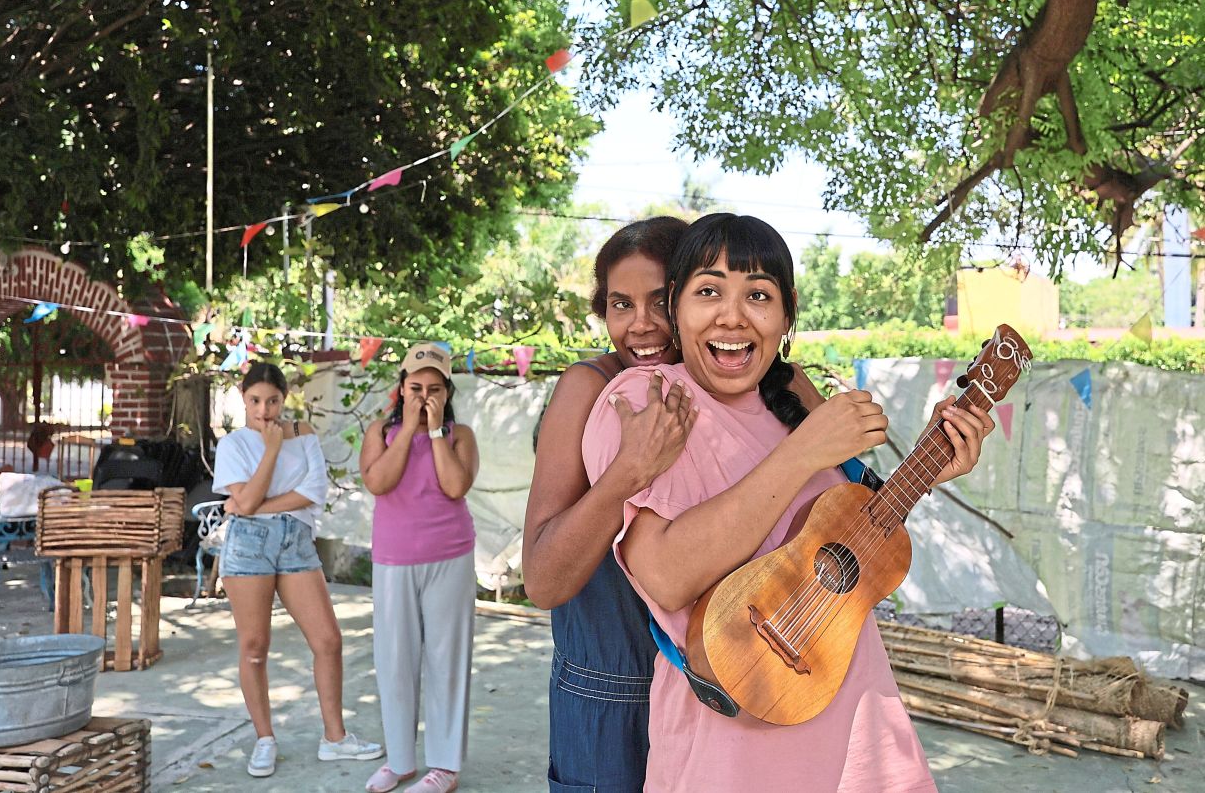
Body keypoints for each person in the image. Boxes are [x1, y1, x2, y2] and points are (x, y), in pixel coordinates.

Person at [581, 213, 995, 792]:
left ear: (786, 313)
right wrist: (803, 452)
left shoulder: (793, 407)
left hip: (862, 734)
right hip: (733, 756)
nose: (732, 315)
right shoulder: (647, 399)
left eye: (758, 295)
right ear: (675, 305)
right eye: (708, 291)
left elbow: (845, 544)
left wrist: (929, 469)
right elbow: (666, 578)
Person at [522, 216, 824, 792]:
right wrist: (626, 475)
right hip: (613, 687)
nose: (641, 326)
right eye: (619, 304)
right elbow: (542, 581)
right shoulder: (591, 390)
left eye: (660, 301)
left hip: (735, 679)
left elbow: (841, 509)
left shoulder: (767, 384)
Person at [212, 362, 382, 778]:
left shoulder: (303, 433)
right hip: (248, 548)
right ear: (243, 396)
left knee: (328, 639)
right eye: (255, 400)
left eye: (273, 401)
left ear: (284, 399)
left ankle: (335, 738)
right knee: (254, 647)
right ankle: (264, 739)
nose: (265, 410)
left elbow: (312, 493)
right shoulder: (233, 444)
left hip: (295, 541)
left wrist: (247, 504)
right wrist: (270, 452)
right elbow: (251, 500)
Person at [359, 343, 479, 793]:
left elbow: (454, 486)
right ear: (400, 389)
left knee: (447, 659)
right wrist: (407, 429)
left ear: (447, 391)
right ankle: (400, 759)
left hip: (449, 554)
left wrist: (432, 433)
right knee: (394, 660)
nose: (424, 395)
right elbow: (378, 482)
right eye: (415, 387)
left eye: (434, 388)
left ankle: (445, 766)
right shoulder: (380, 432)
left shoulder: (459, 435)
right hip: (394, 557)